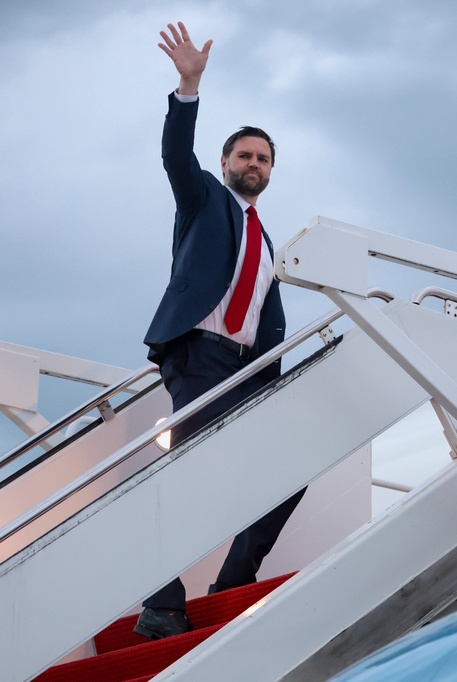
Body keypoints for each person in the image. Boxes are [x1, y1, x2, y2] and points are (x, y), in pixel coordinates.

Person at [135, 21, 305, 641]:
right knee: (189, 476)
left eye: (263, 159)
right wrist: (189, 86)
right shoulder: (203, 199)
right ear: (226, 162)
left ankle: (233, 583)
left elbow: (268, 320)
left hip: (248, 370)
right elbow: (176, 154)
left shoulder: (267, 242)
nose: (254, 164)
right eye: (244, 156)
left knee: (293, 466)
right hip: (200, 358)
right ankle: (161, 605)